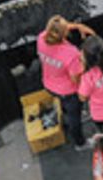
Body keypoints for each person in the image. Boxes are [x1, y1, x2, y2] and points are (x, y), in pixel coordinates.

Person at [37, 14, 95, 150]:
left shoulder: (41, 38)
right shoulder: (71, 53)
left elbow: (59, 27)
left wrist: (78, 26)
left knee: (66, 108)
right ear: (64, 34)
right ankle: (80, 143)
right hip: (68, 91)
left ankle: (67, 115)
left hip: (48, 83)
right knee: (74, 117)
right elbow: (76, 78)